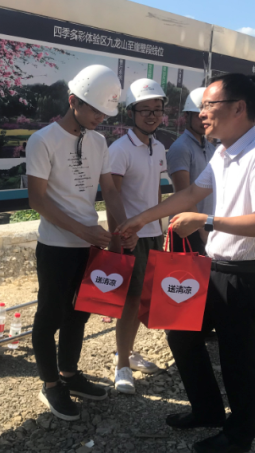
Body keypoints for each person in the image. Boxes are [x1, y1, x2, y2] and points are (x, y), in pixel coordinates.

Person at [118, 73, 255, 453]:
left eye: (209, 105)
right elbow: (192, 193)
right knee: (180, 333)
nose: (201, 113)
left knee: (237, 359)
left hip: (245, 276)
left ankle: (239, 435)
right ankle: (207, 410)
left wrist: (206, 221)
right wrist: (141, 219)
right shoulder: (223, 154)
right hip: (214, 268)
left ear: (239, 108)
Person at [26, 65, 135, 421]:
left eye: (105, 113)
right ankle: (50, 384)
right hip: (56, 246)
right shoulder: (43, 140)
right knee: (50, 315)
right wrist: (84, 231)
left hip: (89, 246)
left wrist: (123, 229)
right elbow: (37, 200)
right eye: (95, 110)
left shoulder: (98, 142)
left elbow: (111, 191)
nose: (100, 118)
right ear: (73, 101)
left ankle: (69, 374)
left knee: (80, 312)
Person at [106, 78, 167, 394]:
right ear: (131, 112)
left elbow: (155, 192)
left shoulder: (159, 147)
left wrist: (162, 228)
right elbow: (111, 197)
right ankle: (121, 366)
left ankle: (127, 352)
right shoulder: (119, 150)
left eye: (157, 109)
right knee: (129, 303)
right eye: (145, 110)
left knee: (144, 300)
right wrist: (118, 240)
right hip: (131, 238)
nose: (152, 115)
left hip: (153, 234)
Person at [166, 87, 216, 255]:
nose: (204, 119)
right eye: (198, 116)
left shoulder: (210, 147)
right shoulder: (181, 148)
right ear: (187, 116)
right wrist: (202, 232)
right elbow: (184, 194)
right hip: (187, 229)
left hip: (206, 225)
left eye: (207, 115)